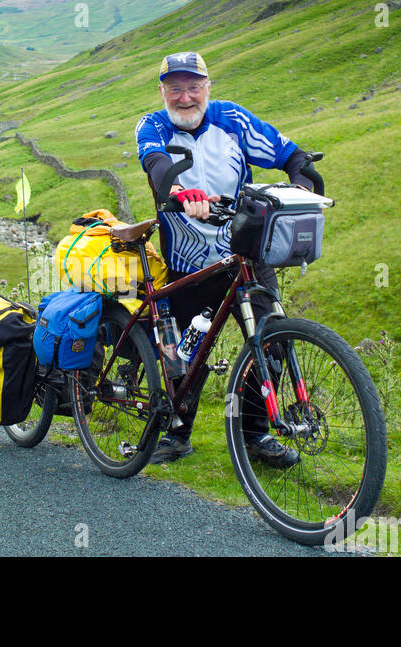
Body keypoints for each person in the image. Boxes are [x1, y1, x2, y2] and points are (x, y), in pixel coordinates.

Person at [135, 51, 321, 466]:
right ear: (162, 91)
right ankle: (177, 432)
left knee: (270, 342)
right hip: (188, 261)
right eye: (175, 88)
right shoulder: (153, 125)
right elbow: (157, 165)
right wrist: (179, 193)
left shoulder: (233, 120)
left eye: (193, 87)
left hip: (245, 255)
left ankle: (256, 434)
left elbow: (289, 153)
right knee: (186, 351)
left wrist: (303, 180)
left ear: (208, 88)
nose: (185, 98)